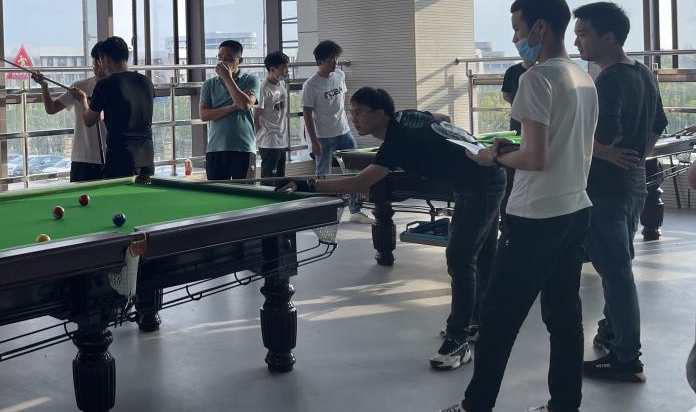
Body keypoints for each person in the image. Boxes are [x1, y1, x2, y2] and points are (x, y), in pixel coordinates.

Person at [439, 0, 597, 412]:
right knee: (564, 316)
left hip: (535, 216)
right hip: (574, 208)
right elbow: (560, 147)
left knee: (497, 318)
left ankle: (476, 406)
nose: (515, 38)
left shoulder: (536, 78)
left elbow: (535, 158)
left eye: (517, 28)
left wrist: (493, 155)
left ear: (539, 27)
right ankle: (565, 404)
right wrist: (513, 151)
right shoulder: (583, 77)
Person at [280, 87, 507, 371]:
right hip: (482, 178)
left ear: (380, 113)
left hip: (481, 184)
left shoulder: (396, 141)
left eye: (359, 112)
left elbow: (359, 184)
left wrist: (308, 184)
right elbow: (442, 118)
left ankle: (458, 341)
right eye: (352, 112)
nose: (354, 119)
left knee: (460, 259)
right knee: (481, 255)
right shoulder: (406, 117)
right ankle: (475, 322)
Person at [572, 1, 666, 383]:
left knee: (616, 273)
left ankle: (627, 358)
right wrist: (637, 156)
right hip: (632, 186)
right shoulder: (642, 72)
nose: (577, 42)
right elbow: (659, 122)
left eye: (583, 34)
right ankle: (612, 333)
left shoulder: (608, 80)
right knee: (618, 266)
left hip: (606, 190)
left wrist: (603, 151)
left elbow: (604, 134)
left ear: (609, 37)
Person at [301, 40, 369, 223]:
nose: (335, 63)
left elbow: (342, 101)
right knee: (324, 175)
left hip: (344, 131)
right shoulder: (310, 85)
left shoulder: (340, 75)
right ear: (320, 62)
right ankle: (324, 212)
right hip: (323, 136)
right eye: (331, 59)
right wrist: (313, 141)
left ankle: (355, 210)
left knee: (354, 169)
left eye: (336, 59)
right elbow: (307, 115)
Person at [72, 36, 154, 179]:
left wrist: (83, 100)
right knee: (144, 191)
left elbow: (89, 120)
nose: (100, 64)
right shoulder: (146, 82)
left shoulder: (106, 84)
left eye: (100, 60)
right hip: (147, 155)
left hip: (121, 158)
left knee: (117, 192)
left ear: (106, 58)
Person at [33, 43, 107, 183]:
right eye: (95, 64)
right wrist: (44, 86)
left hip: (107, 157)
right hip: (81, 157)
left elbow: (99, 117)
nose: (97, 69)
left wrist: (83, 100)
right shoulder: (79, 86)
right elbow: (51, 108)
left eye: (100, 64)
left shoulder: (115, 87)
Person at [199, 40, 259, 180]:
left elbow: (245, 104)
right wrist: (232, 106)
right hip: (215, 148)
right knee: (216, 191)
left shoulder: (251, 79)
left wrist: (228, 78)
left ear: (240, 61)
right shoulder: (209, 84)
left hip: (243, 148)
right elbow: (204, 115)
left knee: (244, 191)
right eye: (220, 58)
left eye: (229, 59)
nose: (223, 62)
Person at [255, 51, 290, 182]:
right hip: (269, 141)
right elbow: (256, 116)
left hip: (281, 139)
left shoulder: (281, 84)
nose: (287, 70)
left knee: (281, 179)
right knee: (268, 179)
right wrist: (260, 134)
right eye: (283, 67)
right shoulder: (263, 88)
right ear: (272, 69)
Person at [500, 59, 533, 135]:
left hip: (538, 116)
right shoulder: (512, 70)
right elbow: (506, 94)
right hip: (517, 118)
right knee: (517, 139)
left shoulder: (542, 71)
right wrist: (517, 105)